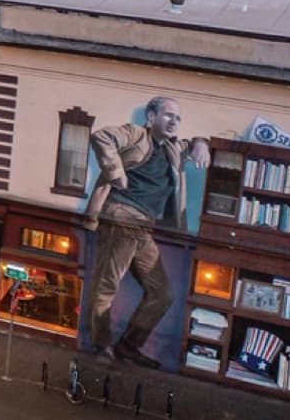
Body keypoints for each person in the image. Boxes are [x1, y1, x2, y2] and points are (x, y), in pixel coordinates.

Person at [82, 96, 210, 368]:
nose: (174, 121)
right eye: (168, 115)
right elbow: (102, 137)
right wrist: (116, 172)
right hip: (121, 217)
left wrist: (202, 143)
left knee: (162, 294)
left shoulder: (172, 148)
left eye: (178, 118)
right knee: (106, 287)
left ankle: (128, 347)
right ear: (151, 117)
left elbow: (195, 142)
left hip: (143, 227)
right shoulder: (136, 134)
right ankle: (102, 347)